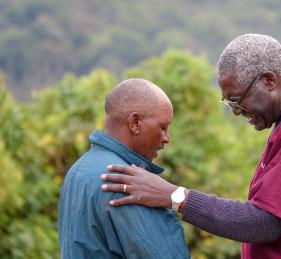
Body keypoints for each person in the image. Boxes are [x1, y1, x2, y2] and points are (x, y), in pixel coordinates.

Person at [101, 34, 281, 259]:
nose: (236, 111)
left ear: (269, 81)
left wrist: (173, 196)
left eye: (237, 100)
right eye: (229, 103)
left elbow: (264, 222)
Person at [58, 78, 190, 258]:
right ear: (135, 123)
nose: (167, 138)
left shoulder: (78, 170)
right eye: (163, 127)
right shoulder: (125, 181)